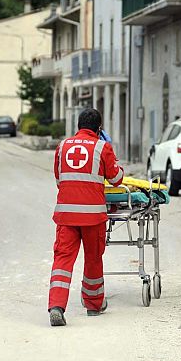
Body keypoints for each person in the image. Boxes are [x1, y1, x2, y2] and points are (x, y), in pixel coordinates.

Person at [48, 108, 124, 326]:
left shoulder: (62, 146)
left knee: (62, 260)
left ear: (78, 126)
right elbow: (116, 179)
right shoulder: (103, 147)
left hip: (66, 216)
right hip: (93, 216)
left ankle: (56, 306)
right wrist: (113, 157)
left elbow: (59, 179)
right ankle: (93, 304)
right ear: (99, 128)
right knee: (93, 259)